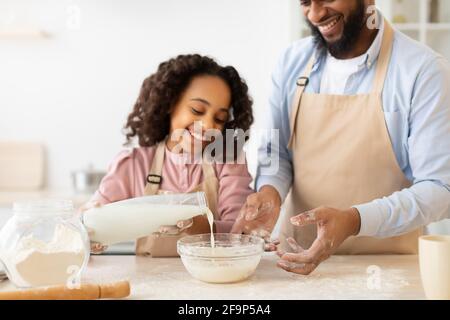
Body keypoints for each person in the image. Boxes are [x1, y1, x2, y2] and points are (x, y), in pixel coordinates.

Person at [233, 0, 450, 274]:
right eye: (305, 3)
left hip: (391, 269)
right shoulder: (291, 62)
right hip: (296, 264)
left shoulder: (422, 71)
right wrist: (269, 192)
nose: (315, 14)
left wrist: (354, 220)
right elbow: (277, 152)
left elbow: (440, 189)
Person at [80, 54, 254, 257]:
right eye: (197, 110)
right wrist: (87, 230)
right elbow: (90, 226)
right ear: (170, 102)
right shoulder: (134, 164)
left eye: (219, 118)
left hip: (214, 282)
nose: (208, 125)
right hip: (150, 284)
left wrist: (203, 228)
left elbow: (241, 232)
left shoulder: (228, 162)